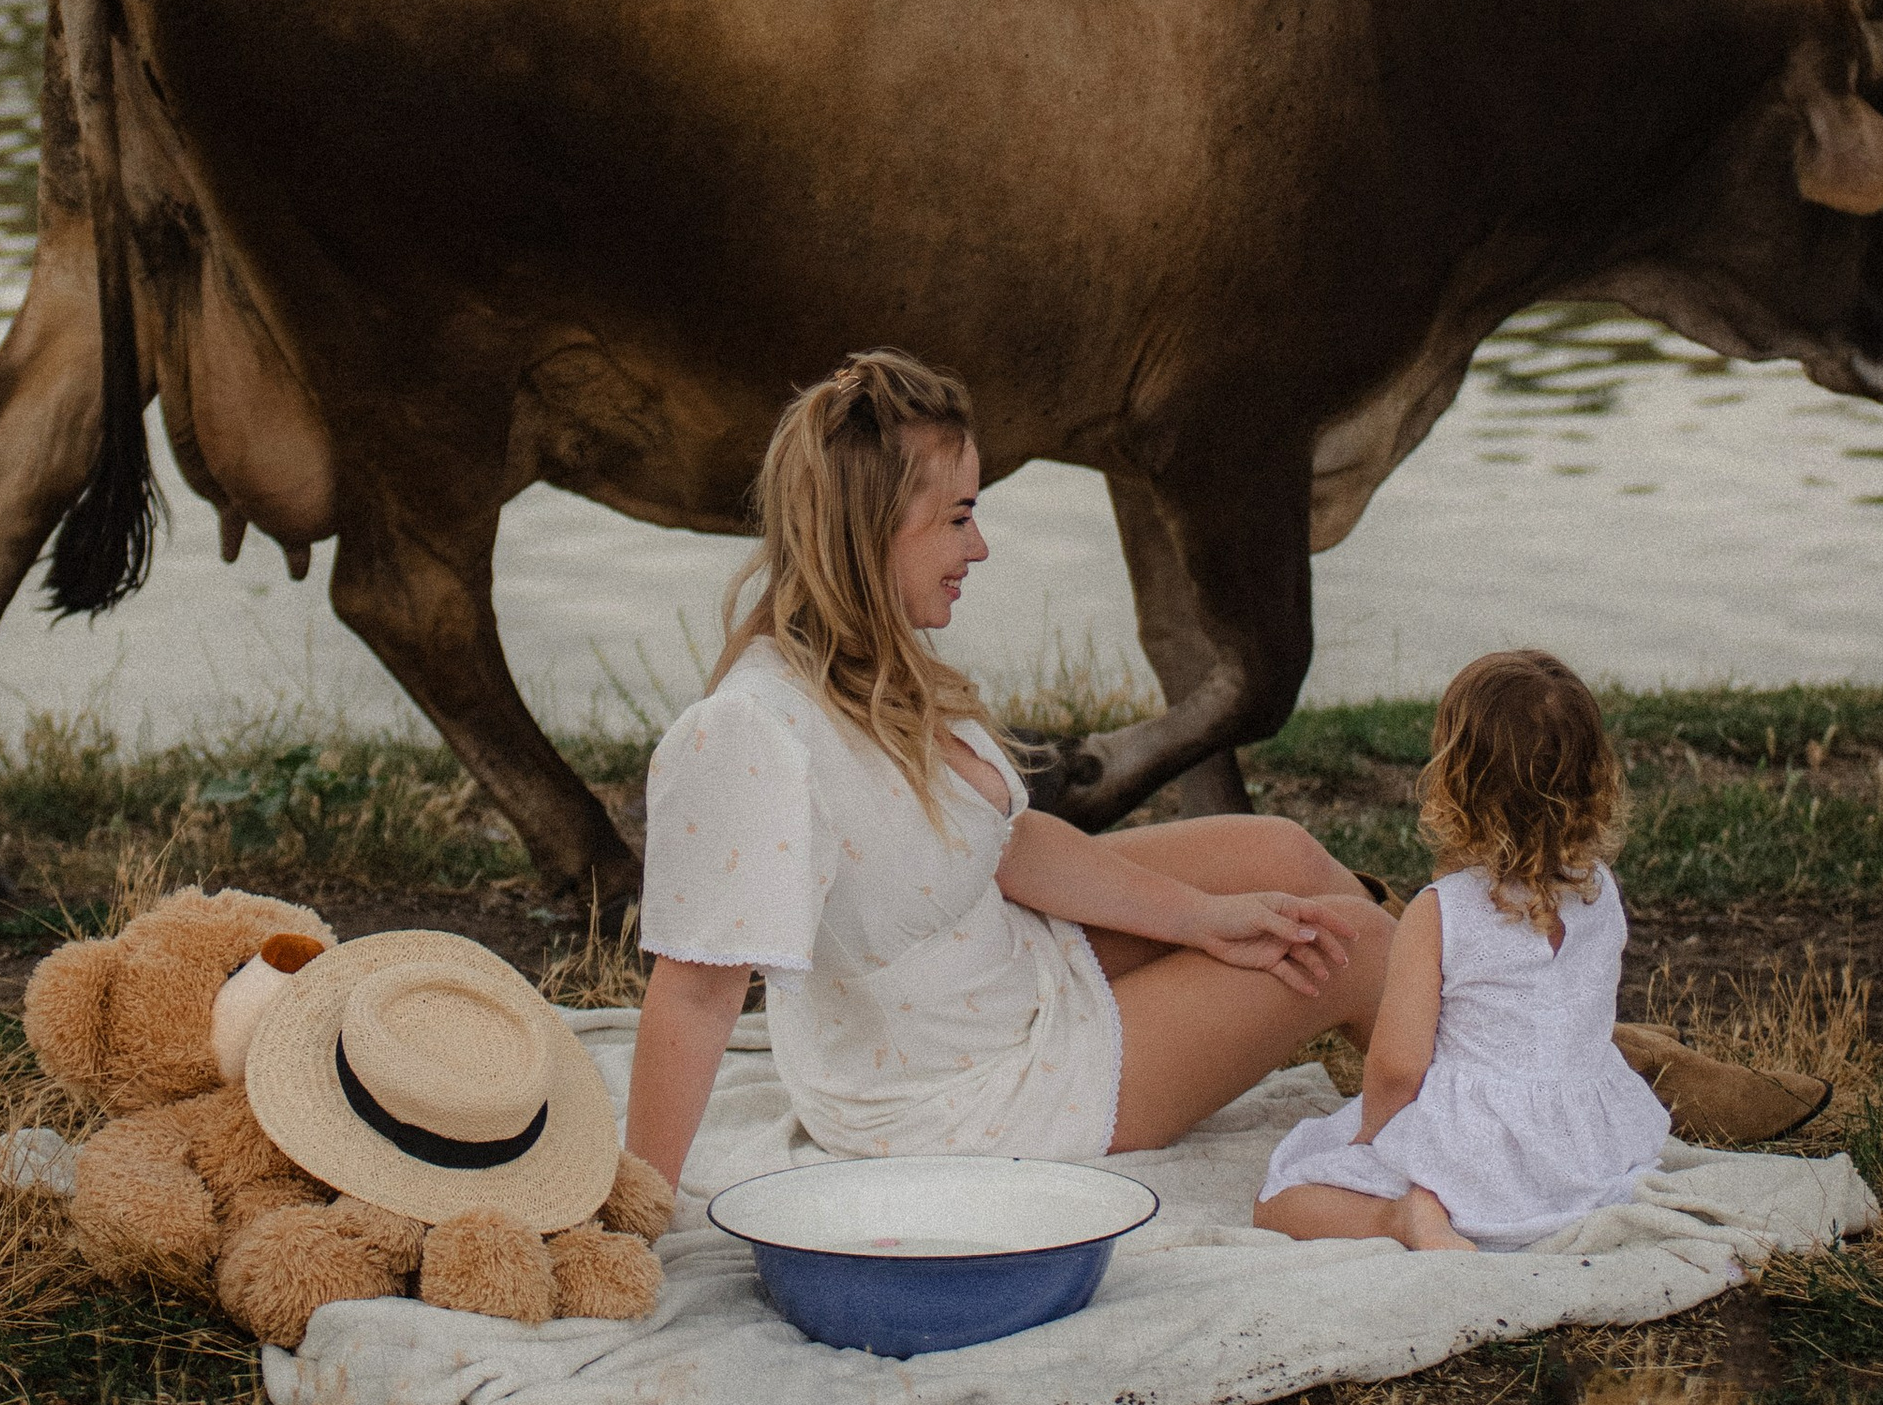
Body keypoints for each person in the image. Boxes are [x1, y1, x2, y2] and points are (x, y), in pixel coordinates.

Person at [623, 350, 1397, 1192]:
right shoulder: (753, 734)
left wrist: (1203, 920)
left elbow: (1006, 845)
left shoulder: (880, 667)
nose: (980, 546)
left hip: (1006, 966)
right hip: (964, 1095)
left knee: (1281, 856)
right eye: (958, 517)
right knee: (1351, 947)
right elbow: (697, 994)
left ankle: (1475, 1045)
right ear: (871, 525)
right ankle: (1497, 1124)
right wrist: (635, 1203)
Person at [1253, 647, 1672, 1254]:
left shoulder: (1441, 911)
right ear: (1593, 779)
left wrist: (1373, 1139)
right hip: (1586, 1145)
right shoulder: (1601, 891)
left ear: (1455, 781)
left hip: (1481, 1147)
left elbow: (1397, 1066)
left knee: (1280, 1199)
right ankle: (1525, 1203)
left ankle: (1405, 1218)